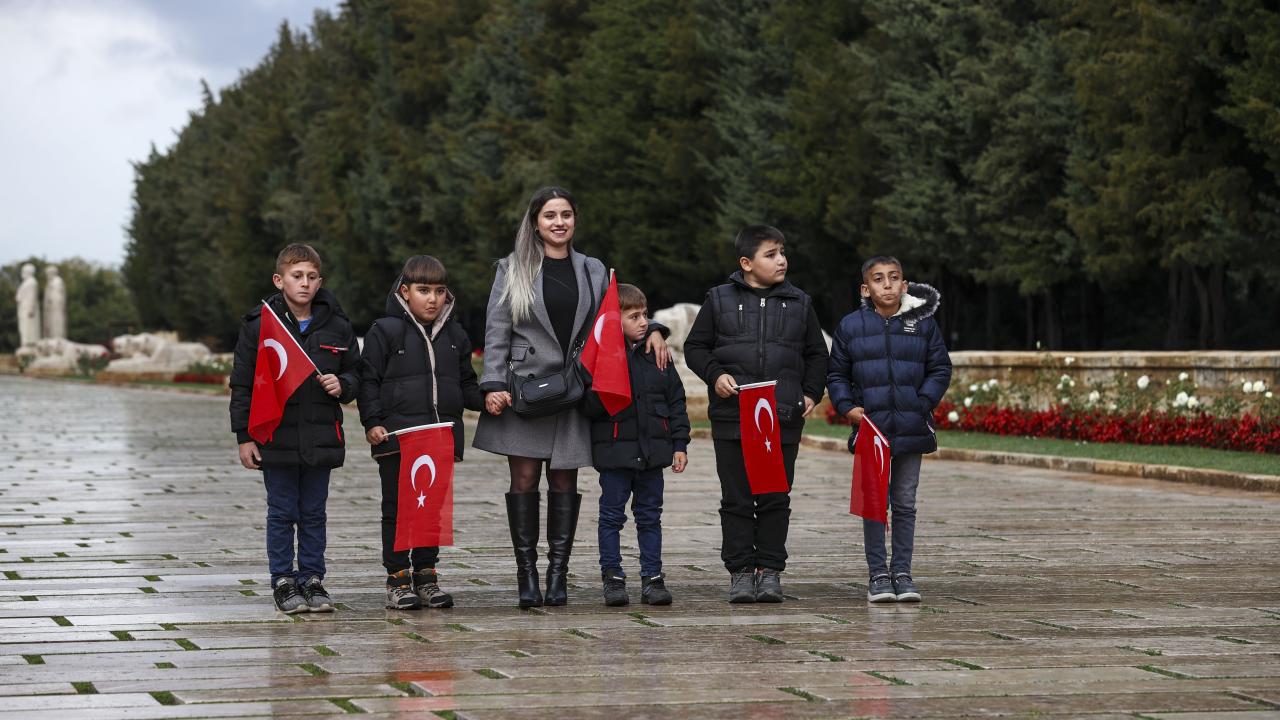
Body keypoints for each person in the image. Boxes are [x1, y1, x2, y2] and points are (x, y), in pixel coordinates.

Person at [474, 186, 670, 609]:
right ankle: (527, 578)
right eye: (550, 215)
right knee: (523, 480)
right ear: (535, 222)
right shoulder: (512, 269)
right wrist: (492, 384)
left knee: (565, 478)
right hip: (524, 390)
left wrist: (653, 327)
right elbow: (497, 330)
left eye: (565, 214)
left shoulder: (593, 269)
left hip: (575, 389)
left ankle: (557, 576)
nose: (559, 222)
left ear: (575, 219)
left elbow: (617, 314)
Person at [684, 225, 829, 604]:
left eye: (782, 252)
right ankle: (741, 572)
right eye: (771, 254)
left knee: (774, 496)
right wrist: (716, 376)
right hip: (733, 417)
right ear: (746, 263)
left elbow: (817, 354)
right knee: (736, 497)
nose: (781, 260)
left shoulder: (800, 302)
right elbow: (696, 347)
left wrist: (811, 392)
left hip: (781, 419)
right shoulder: (718, 300)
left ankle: (770, 571)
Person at [229, 243, 360, 614]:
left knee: (314, 512)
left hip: (321, 435)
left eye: (311, 277)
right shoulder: (260, 324)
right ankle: (284, 581)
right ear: (279, 279)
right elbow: (242, 383)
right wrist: (244, 436)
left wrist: (344, 385)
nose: (304, 284)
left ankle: (313, 579)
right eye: (296, 276)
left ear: (320, 282)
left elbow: (358, 372)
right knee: (283, 511)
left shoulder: (337, 324)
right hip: (276, 435)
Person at [359, 255, 483, 610]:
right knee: (398, 509)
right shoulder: (385, 330)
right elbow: (369, 381)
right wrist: (372, 422)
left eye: (440, 291)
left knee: (431, 509)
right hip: (397, 438)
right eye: (423, 290)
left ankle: (426, 575)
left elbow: (465, 384)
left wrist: (489, 397)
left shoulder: (455, 335)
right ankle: (397, 578)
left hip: (440, 438)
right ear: (405, 292)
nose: (432, 298)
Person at [826, 255, 952, 603]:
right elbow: (837, 373)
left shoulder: (923, 324)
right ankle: (878, 575)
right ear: (866, 289)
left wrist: (921, 402)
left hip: (912, 428)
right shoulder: (851, 327)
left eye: (894, 278)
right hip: (872, 430)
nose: (887, 285)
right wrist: (848, 407)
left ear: (905, 285)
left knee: (905, 502)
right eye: (879, 279)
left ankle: (903, 572)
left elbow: (940, 368)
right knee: (874, 504)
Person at [583, 283, 690, 607]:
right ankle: (612, 577)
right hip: (616, 455)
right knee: (611, 517)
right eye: (634, 316)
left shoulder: (657, 355)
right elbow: (587, 408)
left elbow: (676, 402)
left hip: (652, 454)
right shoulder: (599, 357)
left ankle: (653, 578)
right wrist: (607, 385)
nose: (643, 321)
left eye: (645, 315)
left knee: (649, 517)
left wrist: (679, 444)